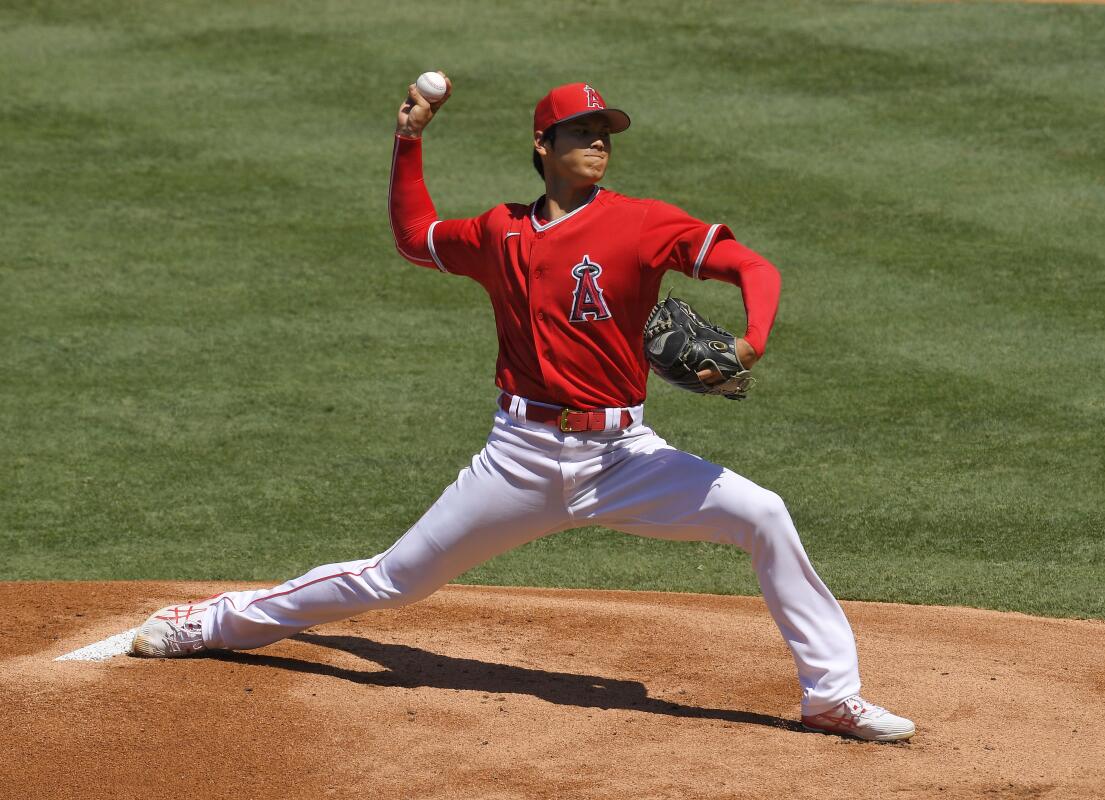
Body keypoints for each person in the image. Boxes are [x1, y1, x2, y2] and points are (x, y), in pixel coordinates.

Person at [132, 77, 915, 743]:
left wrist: (752, 343)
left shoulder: (643, 222)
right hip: (520, 458)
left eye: (605, 132)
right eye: (581, 131)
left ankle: (830, 696)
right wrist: (408, 141)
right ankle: (214, 622)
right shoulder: (501, 232)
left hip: (624, 458)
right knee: (392, 581)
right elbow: (413, 238)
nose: (598, 142)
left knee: (763, 514)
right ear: (543, 145)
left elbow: (752, 265)